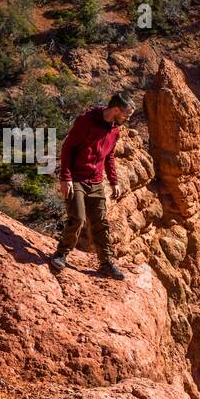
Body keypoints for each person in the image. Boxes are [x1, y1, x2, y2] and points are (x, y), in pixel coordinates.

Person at [48, 94, 133, 280]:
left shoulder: (114, 130)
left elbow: (109, 156)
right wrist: (65, 177)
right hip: (76, 178)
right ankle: (61, 254)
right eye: (126, 115)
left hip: (95, 181)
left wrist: (114, 181)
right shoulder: (86, 121)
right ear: (116, 110)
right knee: (77, 218)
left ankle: (106, 263)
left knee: (101, 223)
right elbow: (67, 147)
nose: (126, 119)